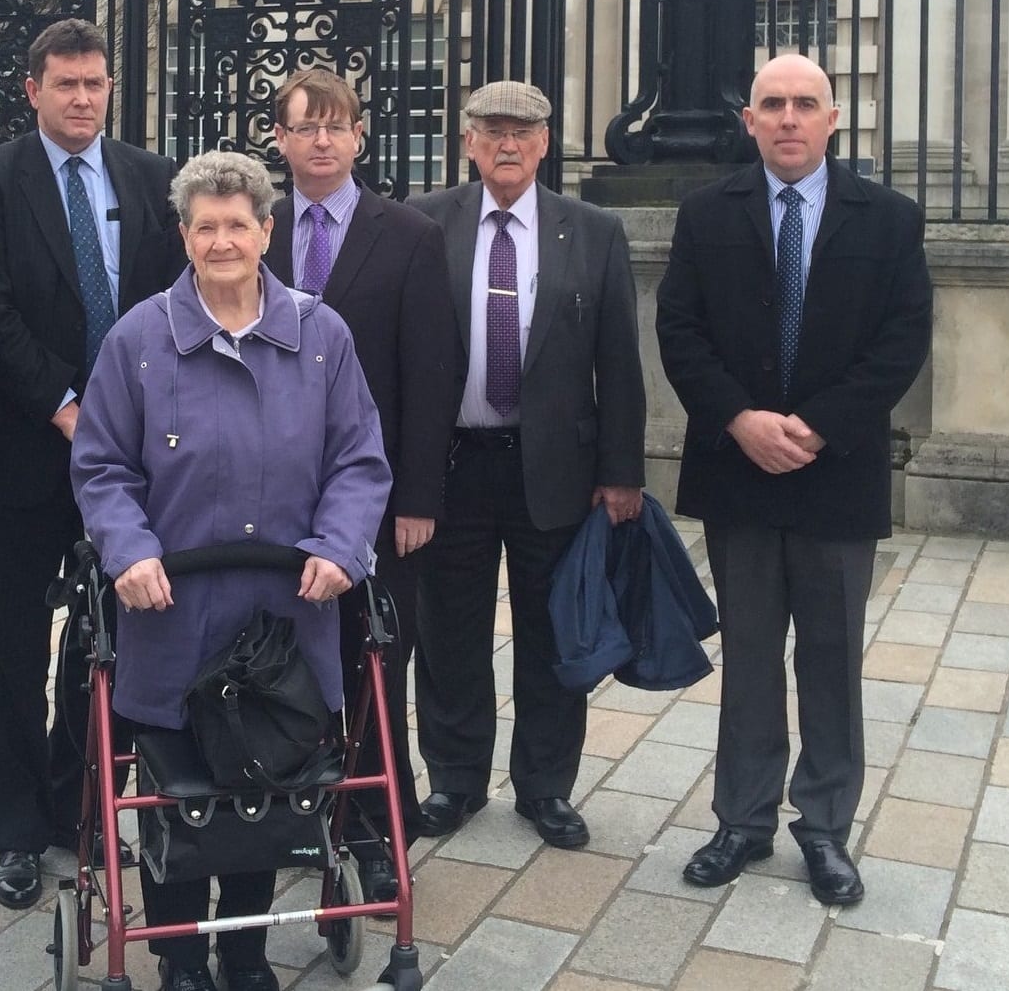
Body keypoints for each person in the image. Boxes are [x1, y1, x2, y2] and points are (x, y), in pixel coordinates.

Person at [71, 150, 391, 991]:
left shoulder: (323, 336)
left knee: (268, 786)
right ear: (184, 235)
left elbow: (360, 459)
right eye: (204, 226)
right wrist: (128, 548)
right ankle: (180, 959)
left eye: (237, 224)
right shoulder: (139, 338)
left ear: (266, 232)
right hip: (172, 612)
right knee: (179, 793)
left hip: (285, 615)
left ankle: (246, 955)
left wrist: (339, 543)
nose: (222, 241)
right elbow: (101, 466)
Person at [656, 53, 932, 905]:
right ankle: (741, 819)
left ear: (833, 117)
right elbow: (680, 331)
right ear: (749, 121)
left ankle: (824, 826)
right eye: (771, 103)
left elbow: (902, 339)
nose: (786, 118)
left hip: (834, 472)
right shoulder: (707, 214)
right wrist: (741, 420)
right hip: (738, 471)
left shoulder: (886, 219)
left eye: (804, 104)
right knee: (746, 658)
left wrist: (814, 426)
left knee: (831, 657)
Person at [0, 18, 183, 909]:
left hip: (128, 460)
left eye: (95, 84)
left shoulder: (148, 176)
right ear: (33, 89)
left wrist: (126, 420)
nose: (82, 99)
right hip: (26, 448)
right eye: (65, 85)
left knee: (106, 638)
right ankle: (12, 829)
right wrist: (65, 406)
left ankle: (73, 807)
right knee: (12, 637)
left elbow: (168, 303)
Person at [406, 80, 647, 849]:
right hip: (455, 461)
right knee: (450, 630)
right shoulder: (424, 223)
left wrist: (622, 472)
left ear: (545, 144)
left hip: (555, 468)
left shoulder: (594, 230)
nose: (508, 144)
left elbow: (620, 359)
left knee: (551, 632)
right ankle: (454, 776)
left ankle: (546, 786)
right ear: (468, 141)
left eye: (524, 131)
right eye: (492, 130)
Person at [263, 67, 459, 898]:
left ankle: (378, 828)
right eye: (305, 126)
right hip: (265, 492)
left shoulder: (407, 234)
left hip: (370, 494)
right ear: (279, 137)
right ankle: (280, 812)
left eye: (336, 126)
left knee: (374, 658)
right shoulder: (252, 225)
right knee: (275, 658)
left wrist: (418, 495)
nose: (320, 141)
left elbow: (431, 370)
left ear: (359, 137)